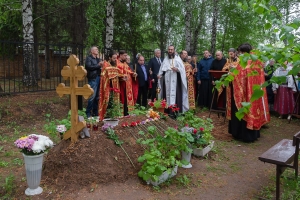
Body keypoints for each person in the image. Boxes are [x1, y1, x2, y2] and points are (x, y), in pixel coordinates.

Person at [226, 43, 270, 142]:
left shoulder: (244, 62)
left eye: (240, 52)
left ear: (242, 52)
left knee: (241, 111)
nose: (239, 54)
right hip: (254, 94)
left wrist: (230, 74)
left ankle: (241, 134)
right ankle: (253, 134)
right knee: (252, 110)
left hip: (244, 95)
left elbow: (238, 76)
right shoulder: (257, 61)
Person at [157, 45, 189, 112]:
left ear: (174, 50)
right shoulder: (165, 60)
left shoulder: (178, 59)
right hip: (167, 81)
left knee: (176, 95)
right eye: (169, 49)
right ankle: (167, 111)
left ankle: (175, 112)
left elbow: (182, 70)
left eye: (171, 49)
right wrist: (160, 75)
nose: (170, 51)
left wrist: (177, 69)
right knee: (167, 94)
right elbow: (162, 70)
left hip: (176, 81)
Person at [98, 51, 122, 120]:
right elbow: (106, 73)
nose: (115, 59)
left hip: (115, 86)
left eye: (116, 58)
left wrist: (122, 76)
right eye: (114, 58)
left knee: (114, 101)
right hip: (108, 87)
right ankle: (106, 115)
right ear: (110, 58)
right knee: (107, 100)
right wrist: (116, 72)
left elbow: (118, 72)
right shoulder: (106, 64)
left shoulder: (115, 65)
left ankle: (113, 115)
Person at [117, 50, 137, 115]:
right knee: (122, 99)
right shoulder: (117, 63)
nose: (126, 57)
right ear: (120, 55)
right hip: (121, 84)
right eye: (125, 56)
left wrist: (133, 74)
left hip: (127, 85)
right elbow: (117, 73)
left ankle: (127, 113)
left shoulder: (125, 63)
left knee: (126, 99)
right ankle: (122, 113)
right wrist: (122, 76)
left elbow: (129, 71)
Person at [85, 46, 102, 118]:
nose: (97, 50)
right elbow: (89, 67)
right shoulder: (89, 58)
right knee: (92, 95)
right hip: (93, 78)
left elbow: (100, 67)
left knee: (97, 96)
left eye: (97, 49)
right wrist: (98, 65)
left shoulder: (98, 59)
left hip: (98, 77)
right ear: (92, 51)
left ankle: (95, 112)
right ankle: (88, 112)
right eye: (96, 49)